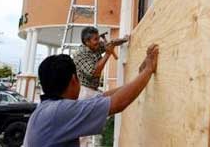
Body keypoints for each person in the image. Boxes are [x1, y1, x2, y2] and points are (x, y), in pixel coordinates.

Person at [23, 44, 159, 147]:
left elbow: (103, 98)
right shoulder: (59, 111)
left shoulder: (48, 108)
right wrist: (148, 70)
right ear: (74, 80)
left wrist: (140, 77)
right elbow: (117, 103)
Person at [73, 27, 128, 100]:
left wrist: (123, 40)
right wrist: (107, 54)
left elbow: (111, 43)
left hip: (93, 89)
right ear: (87, 42)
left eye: (98, 38)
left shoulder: (96, 46)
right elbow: (94, 73)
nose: (99, 41)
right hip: (84, 91)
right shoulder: (80, 54)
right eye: (95, 39)